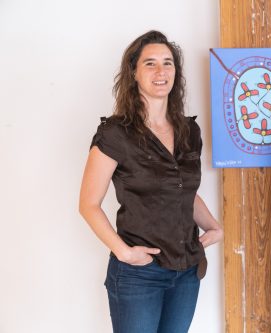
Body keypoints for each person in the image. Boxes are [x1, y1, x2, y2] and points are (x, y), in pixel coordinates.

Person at [79, 30, 223, 333]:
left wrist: (214, 226)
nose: (161, 72)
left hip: (186, 271)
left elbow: (183, 192)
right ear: (133, 72)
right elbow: (88, 205)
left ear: (176, 72)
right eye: (150, 64)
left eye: (168, 63)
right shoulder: (115, 134)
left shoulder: (188, 131)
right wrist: (124, 252)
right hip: (137, 274)